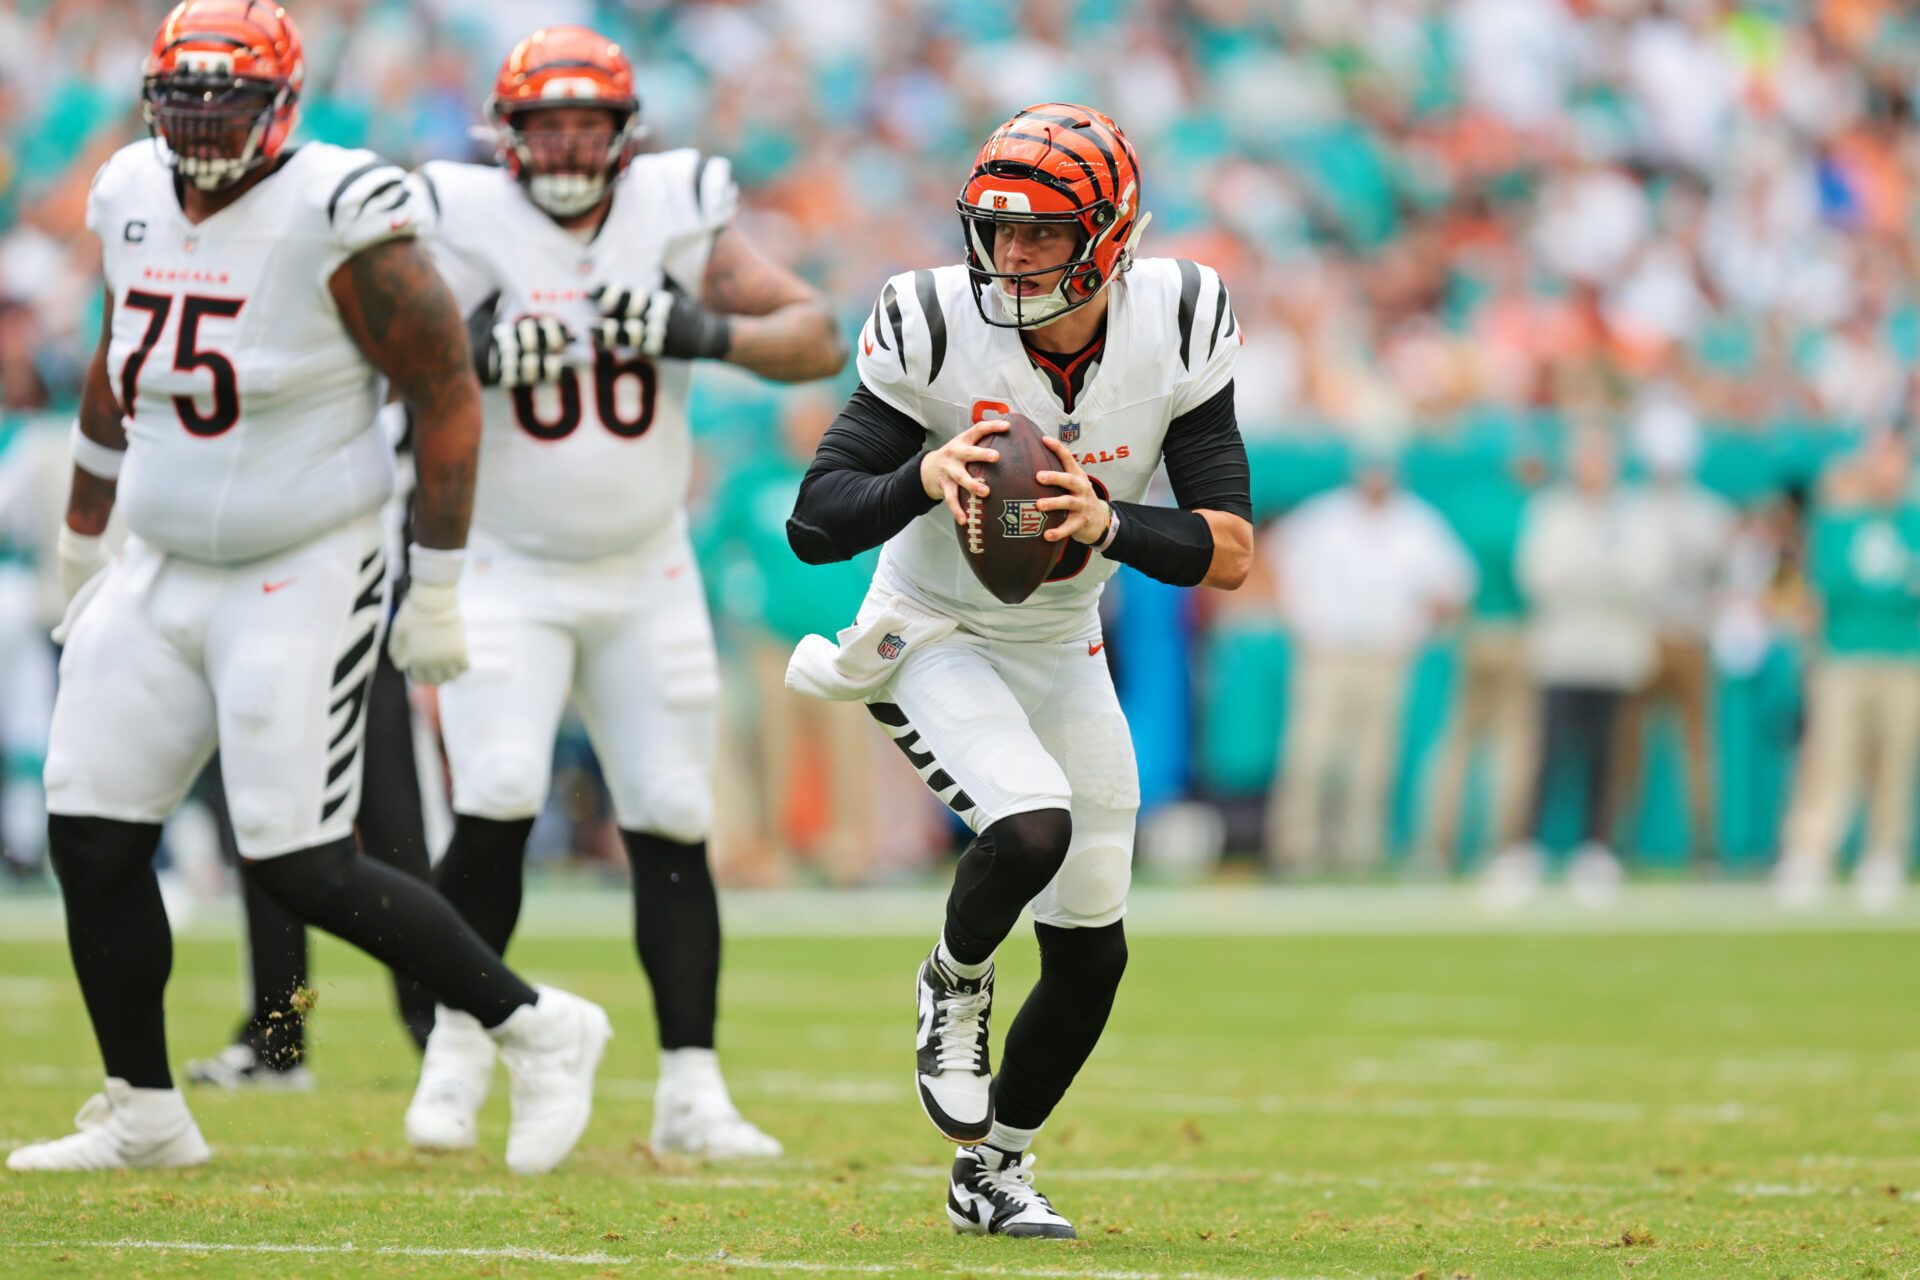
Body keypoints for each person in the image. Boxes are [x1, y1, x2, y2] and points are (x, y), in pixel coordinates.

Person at [9, 1, 608, 1176]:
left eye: (224, 99)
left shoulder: (340, 209)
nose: (200, 121)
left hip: (305, 560)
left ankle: (538, 1024)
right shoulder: (131, 188)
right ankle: (143, 1109)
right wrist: (85, 537)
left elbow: (444, 386)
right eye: (181, 97)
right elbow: (117, 357)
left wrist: (432, 584)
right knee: (88, 827)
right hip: (165, 557)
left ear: (280, 104)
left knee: (297, 857)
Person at [785, 103, 1252, 1238]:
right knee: (1030, 821)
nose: (1012, 256)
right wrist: (922, 475)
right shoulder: (933, 325)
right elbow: (815, 521)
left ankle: (992, 1167)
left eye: (1042, 234)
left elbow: (1228, 549)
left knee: (1094, 946)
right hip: (928, 630)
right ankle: (953, 980)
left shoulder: (1179, 319)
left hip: (1060, 638)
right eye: (997, 231)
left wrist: (1110, 523)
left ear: (1110, 236)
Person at [398, 25, 844, 1161]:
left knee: (674, 812)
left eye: (584, 122)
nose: (564, 143)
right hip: (505, 559)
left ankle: (690, 1082)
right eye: (543, 123)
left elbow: (813, 334)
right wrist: (481, 345)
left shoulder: (676, 208)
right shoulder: (457, 213)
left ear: (621, 133)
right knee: (497, 782)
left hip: (646, 566)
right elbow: (389, 354)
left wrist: (705, 329)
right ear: (507, 134)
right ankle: (459, 1043)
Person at [1265, 445, 1475, 873]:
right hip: (1327, 651)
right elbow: (1271, 556)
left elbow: (1457, 586)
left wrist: (1417, 625)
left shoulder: (1417, 523)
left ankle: (1359, 851)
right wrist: (1303, 617)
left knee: (1372, 758)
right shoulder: (1323, 516)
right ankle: (1296, 849)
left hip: (1384, 653)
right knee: (1312, 751)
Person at [1484, 428, 1667, 908]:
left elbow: (1647, 576)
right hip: (1562, 651)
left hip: (1614, 654)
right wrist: (1600, 575)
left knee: (1608, 755)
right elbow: (1539, 574)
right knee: (1547, 752)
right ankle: (1526, 847)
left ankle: (1596, 847)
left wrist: (1592, 576)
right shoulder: (1553, 511)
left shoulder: (1635, 513)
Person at [1775, 429, 1920, 912]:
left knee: (1894, 759)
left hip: (1903, 657)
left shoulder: (1914, 522)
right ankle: (1812, 851)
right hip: (1843, 656)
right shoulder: (1835, 523)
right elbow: (1796, 589)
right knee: (1831, 756)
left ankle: (1884, 853)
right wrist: (1806, 642)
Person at [1607, 396, 1733, 868]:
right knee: (1631, 746)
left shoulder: (1689, 512)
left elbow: (1725, 581)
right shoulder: (1638, 508)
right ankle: (1622, 839)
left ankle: (1700, 843)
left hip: (1682, 634)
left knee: (1692, 747)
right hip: (1646, 635)